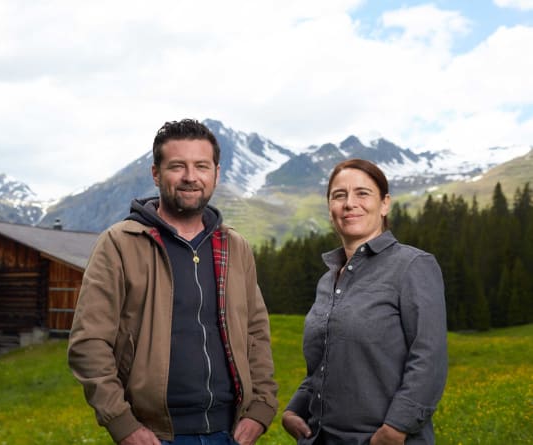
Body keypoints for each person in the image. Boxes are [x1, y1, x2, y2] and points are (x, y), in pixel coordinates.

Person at [68, 119, 278, 445]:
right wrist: (122, 423)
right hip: (155, 435)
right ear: (156, 174)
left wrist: (261, 408)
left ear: (216, 174)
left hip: (231, 432)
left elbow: (256, 332)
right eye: (177, 166)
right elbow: (89, 343)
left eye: (201, 166)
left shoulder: (235, 247)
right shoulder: (120, 244)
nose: (190, 177)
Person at [282, 159, 448, 444]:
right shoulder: (328, 281)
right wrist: (294, 409)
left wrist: (396, 428)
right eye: (339, 195)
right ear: (330, 207)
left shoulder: (413, 265)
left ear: (384, 204)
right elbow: (323, 363)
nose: (349, 203)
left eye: (362, 193)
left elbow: (429, 359)